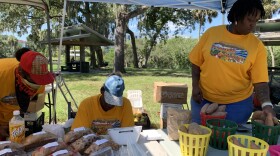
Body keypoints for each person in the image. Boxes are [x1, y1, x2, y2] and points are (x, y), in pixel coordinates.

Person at [189, 0, 276, 126]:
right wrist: (195, 86)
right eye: (249, 20)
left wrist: (267, 105)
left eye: (256, 21)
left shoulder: (257, 46)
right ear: (237, 16)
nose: (253, 25)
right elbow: (196, 62)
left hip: (237, 106)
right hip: (203, 101)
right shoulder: (211, 34)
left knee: (229, 140)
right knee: (200, 136)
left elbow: (260, 81)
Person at [0, 47, 54, 140]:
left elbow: (25, 102)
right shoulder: (2, 73)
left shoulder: (40, 80)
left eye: (40, 80)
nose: (39, 84)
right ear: (21, 72)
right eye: (35, 80)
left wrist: (17, 122)